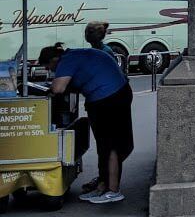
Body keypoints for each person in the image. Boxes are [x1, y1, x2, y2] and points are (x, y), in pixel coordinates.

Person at [40, 44, 133, 205]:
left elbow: (58, 88)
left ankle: (113, 190)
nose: (51, 71)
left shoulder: (67, 60)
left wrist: (49, 89)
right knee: (104, 146)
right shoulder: (76, 55)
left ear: (54, 59)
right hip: (113, 95)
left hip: (109, 98)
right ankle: (103, 187)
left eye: (49, 67)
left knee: (110, 145)